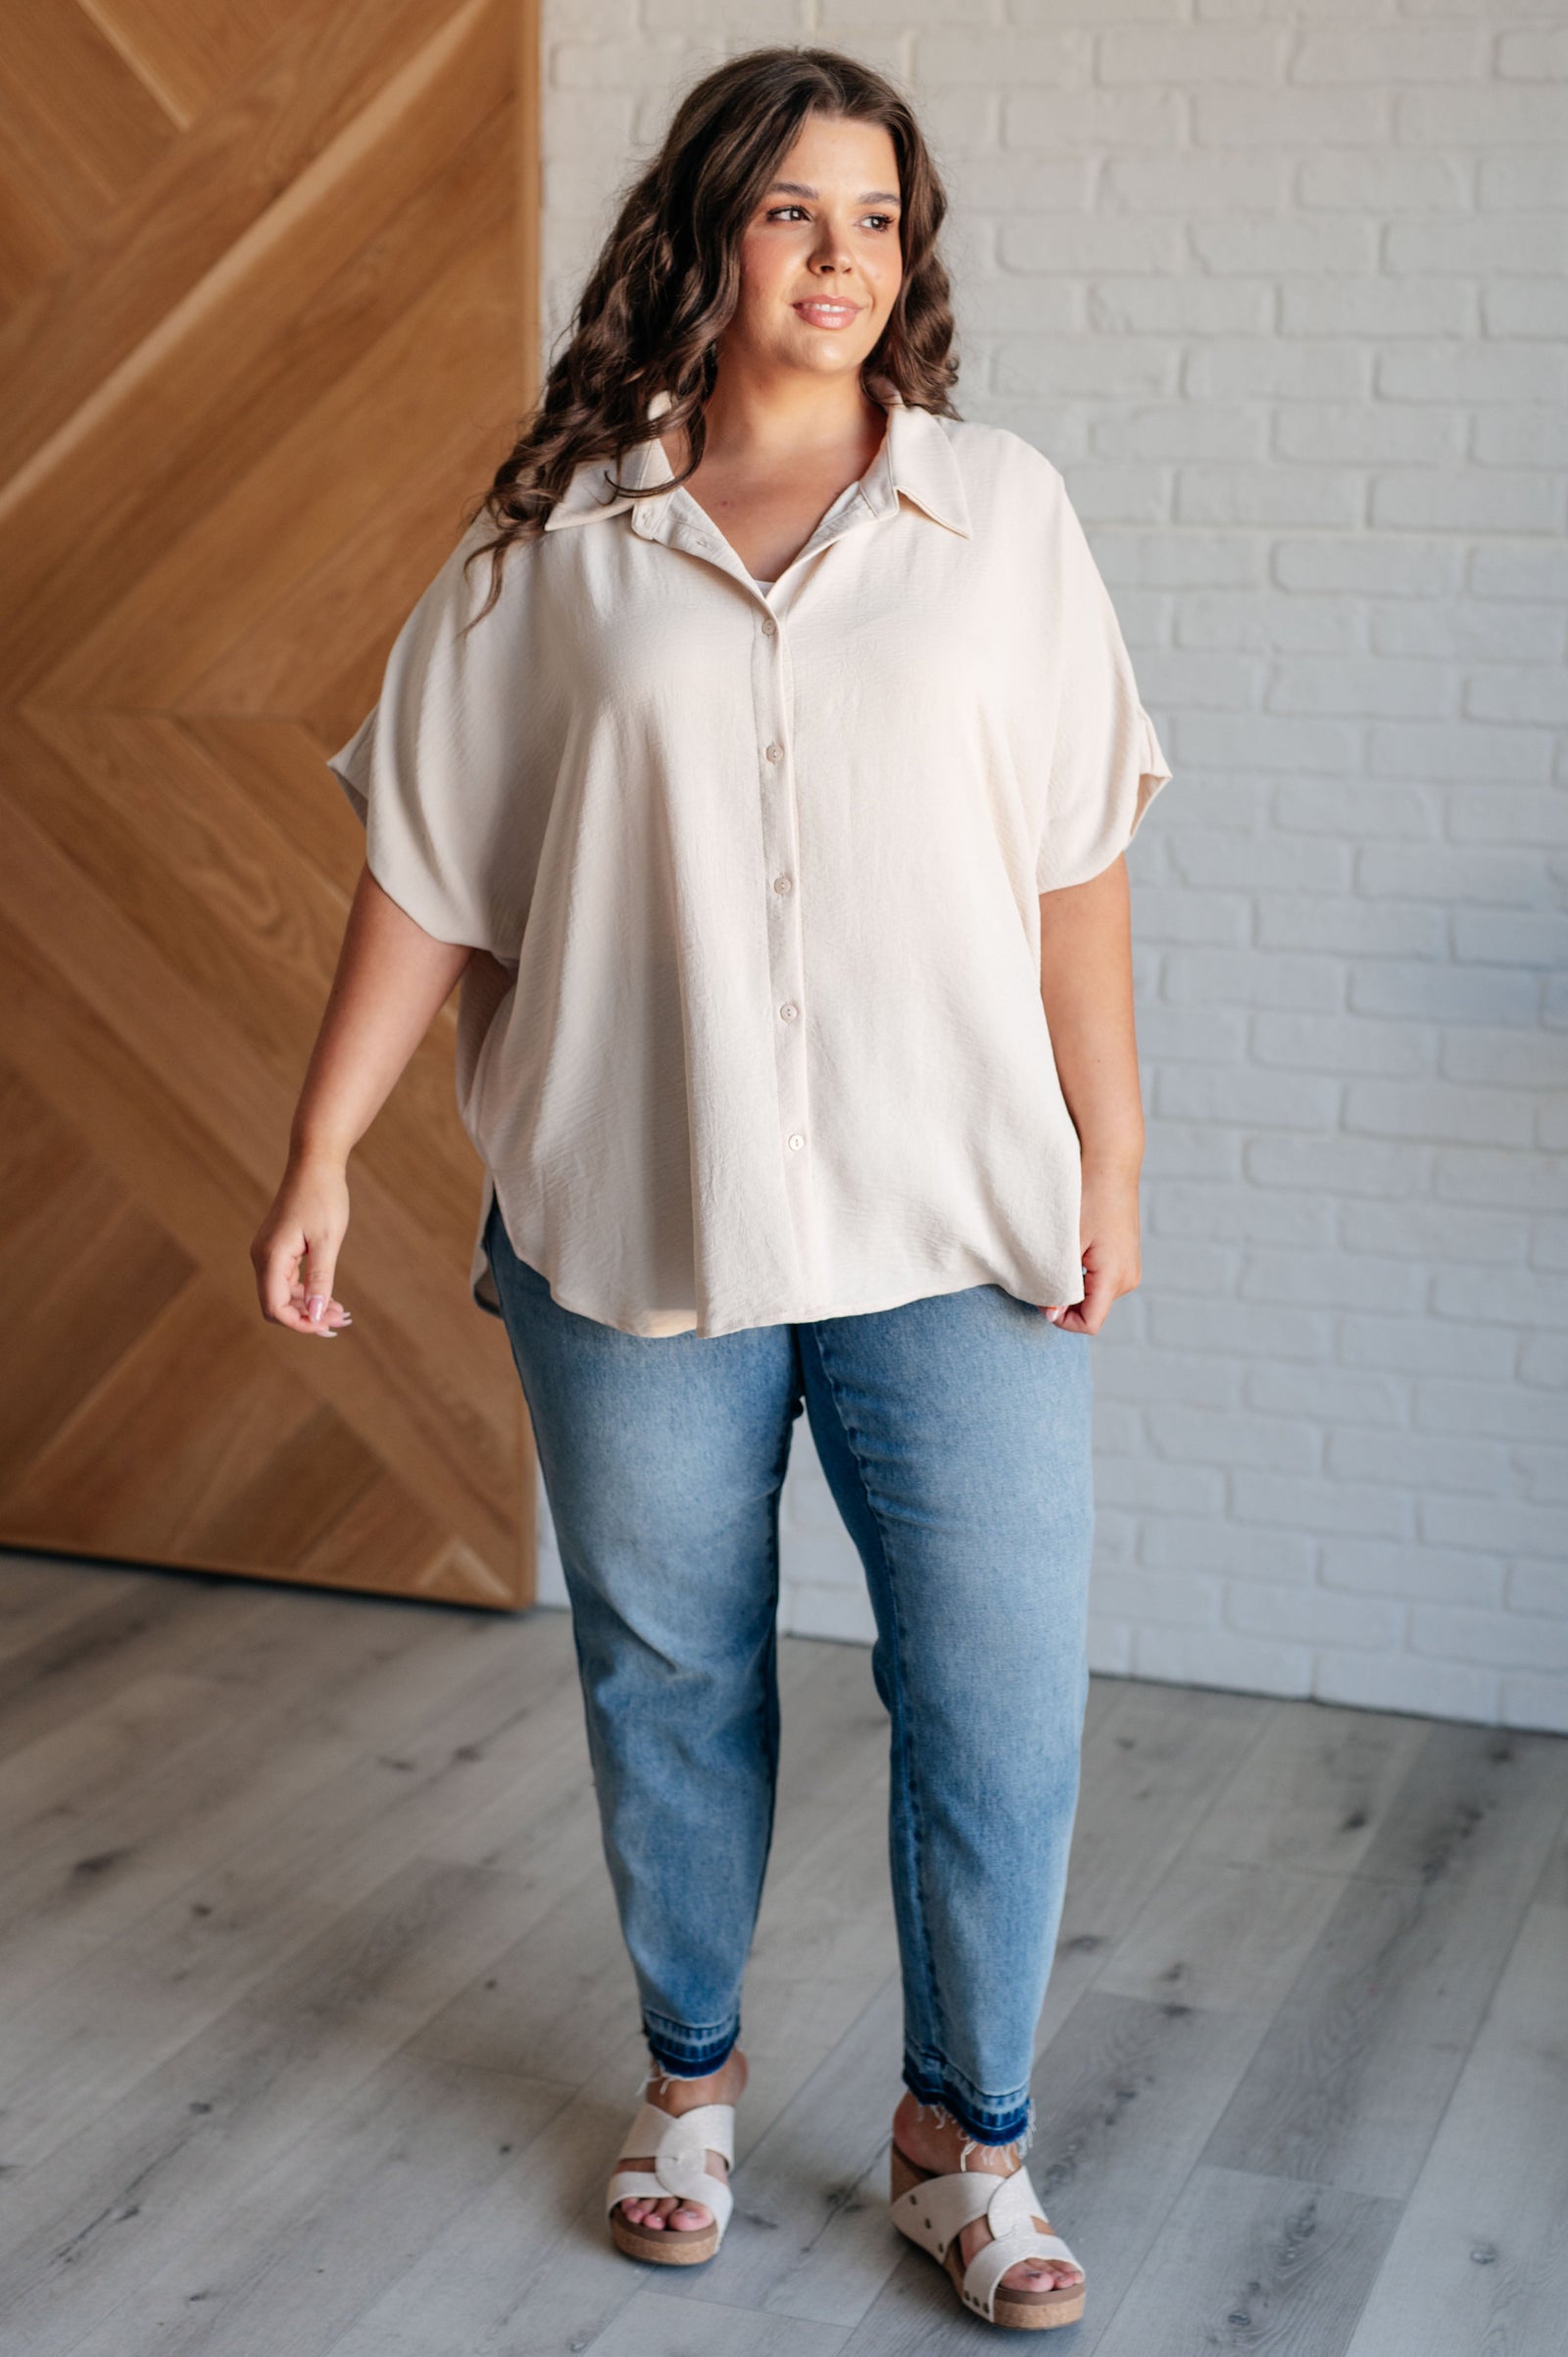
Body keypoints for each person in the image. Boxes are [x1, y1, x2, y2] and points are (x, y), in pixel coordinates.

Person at [250, 43, 1170, 2334]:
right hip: (631, 1215)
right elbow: (432, 872)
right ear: (707, 233)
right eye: (791, 215)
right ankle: (687, 2089)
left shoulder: (1000, 516)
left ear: (906, 255)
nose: (838, 259)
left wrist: (1112, 1151)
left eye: (873, 219)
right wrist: (324, 1151)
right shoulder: (558, 532)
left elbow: (1077, 863)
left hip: (950, 1218)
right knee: (672, 1680)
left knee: (996, 1694)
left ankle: (967, 2141)